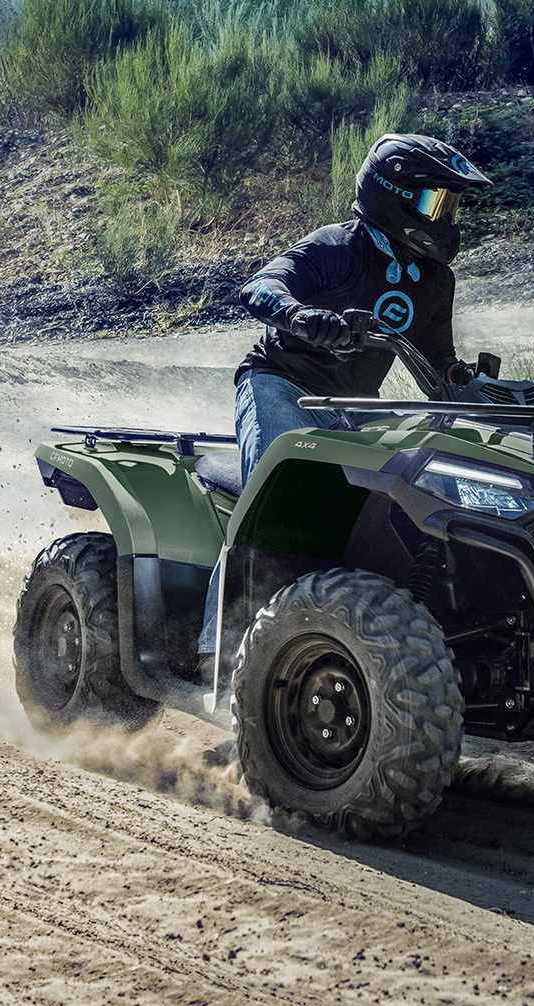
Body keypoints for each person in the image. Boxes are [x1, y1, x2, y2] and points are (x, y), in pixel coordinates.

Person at [196, 132, 495, 672]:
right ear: (392, 196)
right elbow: (260, 286)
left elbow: (438, 364)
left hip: (355, 403)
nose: (446, 217)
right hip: (282, 383)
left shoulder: (435, 280)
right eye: (436, 202)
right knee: (278, 501)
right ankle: (217, 653)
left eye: (451, 205)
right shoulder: (337, 247)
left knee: (411, 488)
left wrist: (470, 382)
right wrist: (299, 315)